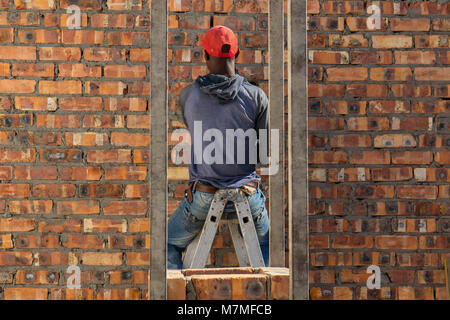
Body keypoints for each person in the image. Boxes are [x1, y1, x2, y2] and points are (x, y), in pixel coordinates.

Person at [167, 25, 270, 269]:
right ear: (237, 54)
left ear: (205, 56)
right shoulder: (257, 96)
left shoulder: (188, 96)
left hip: (204, 196)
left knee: (167, 243)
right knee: (269, 245)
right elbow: (265, 156)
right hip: (247, 195)